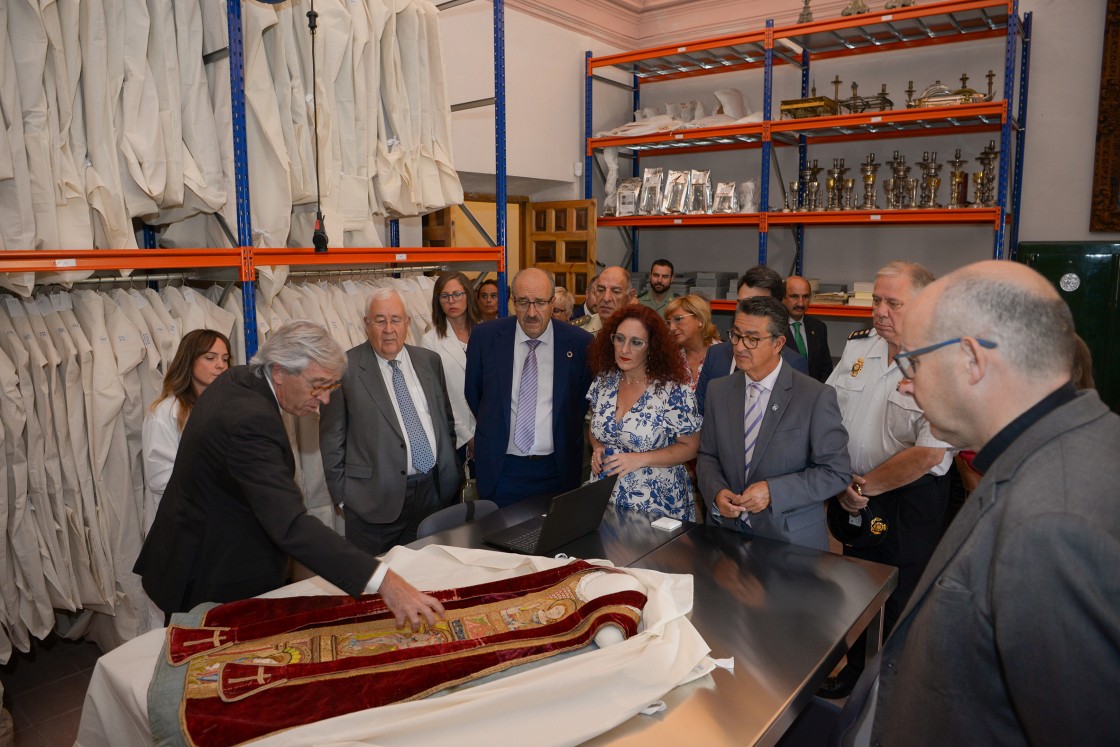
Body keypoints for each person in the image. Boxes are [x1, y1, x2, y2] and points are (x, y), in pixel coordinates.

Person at [871, 261, 1120, 745]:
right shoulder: (1078, 442)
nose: (910, 384)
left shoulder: (1051, 524)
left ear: (971, 360)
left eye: (914, 362)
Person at [134, 320, 444, 630]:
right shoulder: (250, 420)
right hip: (206, 574)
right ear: (280, 371)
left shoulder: (239, 378)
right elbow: (291, 524)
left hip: (199, 552)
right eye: (318, 384)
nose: (324, 400)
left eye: (330, 388)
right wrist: (384, 581)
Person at [819, 261, 953, 699]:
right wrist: (842, 480)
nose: (879, 311)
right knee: (857, 586)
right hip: (852, 489)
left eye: (892, 303)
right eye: (876, 300)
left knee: (900, 595)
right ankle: (857, 672)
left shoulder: (942, 360)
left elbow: (929, 452)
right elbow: (827, 415)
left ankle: (892, 687)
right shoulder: (860, 349)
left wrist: (864, 488)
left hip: (907, 499)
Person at [696, 297, 850, 550]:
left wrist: (773, 492)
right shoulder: (719, 390)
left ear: (778, 343)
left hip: (789, 543)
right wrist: (716, 493)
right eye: (736, 335)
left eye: (752, 339)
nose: (740, 347)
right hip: (727, 535)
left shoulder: (814, 396)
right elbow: (708, 456)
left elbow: (836, 472)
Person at [320, 288, 461, 555]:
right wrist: (344, 498)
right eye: (380, 320)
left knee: (430, 577)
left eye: (396, 319)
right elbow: (331, 440)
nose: (388, 329)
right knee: (374, 587)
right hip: (373, 503)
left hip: (433, 494)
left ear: (408, 322)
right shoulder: (343, 369)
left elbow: (445, 422)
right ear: (366, 324)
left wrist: (449, 469)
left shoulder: (429, 361)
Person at [465, 268, 594, 507]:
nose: (532, 312)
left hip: (557, 470)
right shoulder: (485, 338)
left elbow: (579, 403)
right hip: (502, 468)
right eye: (523, 302)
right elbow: (475, 393)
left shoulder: (579, 343)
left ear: (553, 302)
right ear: (512, 301)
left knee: (554, 542)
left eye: (540, 303)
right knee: (495, 541)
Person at [586, 305, 701, 521]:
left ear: (652, 347)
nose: (624, 349)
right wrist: (598, 447)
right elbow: (595, 427)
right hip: (605, 498)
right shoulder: (604, 382)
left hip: (656, 503)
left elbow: (691, 446)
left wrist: (640, 459)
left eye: (636, 342)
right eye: (619, 339)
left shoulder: (672, 391)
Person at [141, 329, 231, 532]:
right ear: (189, 361)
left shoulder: (226, 408)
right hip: (184, 525)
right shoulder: (165, 413)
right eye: (210, 358)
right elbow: (161, 479)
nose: (220, 365)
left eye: (225, 359)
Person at [696, 266, 810, 413]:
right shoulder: (716, 354)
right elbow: (701, 412)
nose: (743, 311)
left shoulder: (794, 363)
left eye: (754, 304)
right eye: (740, 302)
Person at [419, 272, 480, 462]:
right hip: (453, 434)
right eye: (444, 296)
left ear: (468, 295)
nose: (451, 301)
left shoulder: (485, 333)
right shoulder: (430, 341)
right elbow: (435, 395)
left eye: (457, 294)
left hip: (486, 429)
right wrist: (468, 436)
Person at [664, 294, 720, 390]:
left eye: (678, 319)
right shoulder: (670, 358)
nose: (672, 328)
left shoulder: (723, 354)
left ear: (699, 319)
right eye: (669, 323)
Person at [784, 275, 833, 382]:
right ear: (783, 298)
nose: (800, 303)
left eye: (805, 297)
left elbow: (826, 368)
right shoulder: (773, 328)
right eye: (794, 296)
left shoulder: (819, 327)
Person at [573, 266, 635, 334]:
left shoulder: (640, 331)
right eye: (601, 290)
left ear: (630, 296)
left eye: (616, 291)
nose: (606, 298)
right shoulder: (578, 330)